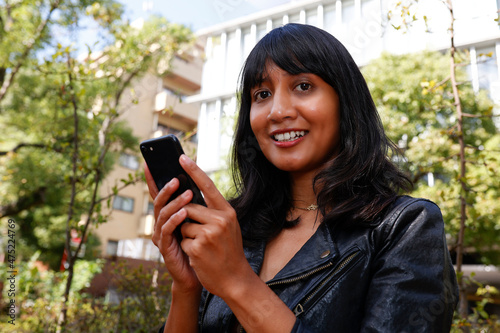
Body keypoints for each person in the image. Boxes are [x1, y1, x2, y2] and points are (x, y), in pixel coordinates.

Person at [145, 23, 458, 333]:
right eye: (262, 94)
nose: (278, 111)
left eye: (303, 86)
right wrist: (187, 288)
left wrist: (238, 282)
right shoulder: (234, 230)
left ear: (345, 102)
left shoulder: (406, 227)